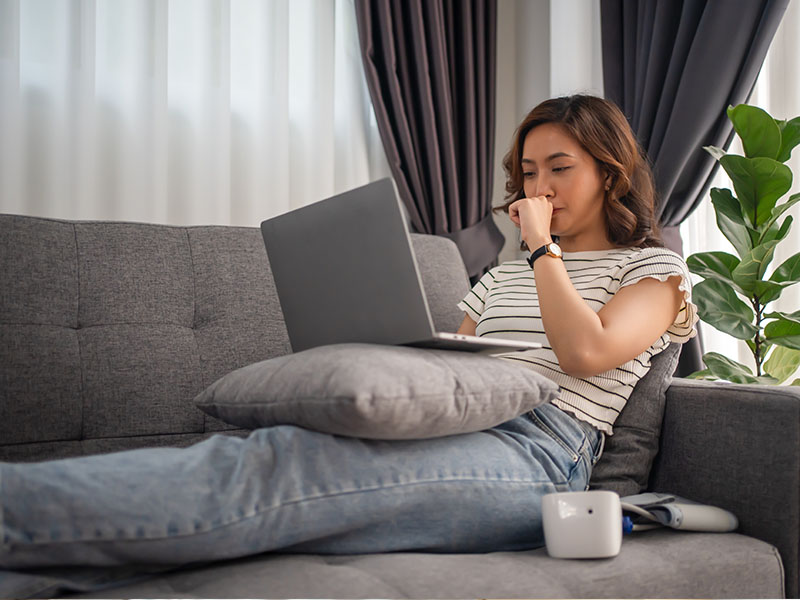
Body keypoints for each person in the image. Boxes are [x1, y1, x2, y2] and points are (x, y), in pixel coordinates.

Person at [0, 94, 696, 596]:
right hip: (450, 424)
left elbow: (585, 353)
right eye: (527, 174)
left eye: (558, 168)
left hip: (538, 457)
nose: (536, 189)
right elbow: (455, 371)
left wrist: (542, 244)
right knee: (265, 473)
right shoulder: (499, 279)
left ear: (609, 171)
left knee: (277, 474)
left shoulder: (653, 271)